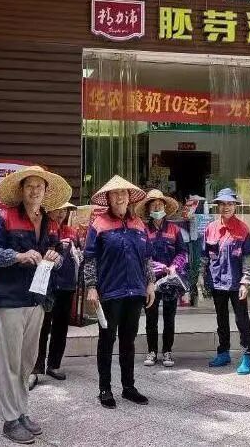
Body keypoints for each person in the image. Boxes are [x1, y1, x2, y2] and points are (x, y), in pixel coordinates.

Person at [0, 165, 72, 445]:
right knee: (10, 362)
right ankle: (10, 419)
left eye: (39, 187)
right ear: (21, 190)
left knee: (27, 362)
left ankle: (21, 412)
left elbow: (58, 254)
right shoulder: (4, 217)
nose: (34, 191)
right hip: (11, 299)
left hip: (38, 298)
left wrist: (56, 258)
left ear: (46, 191)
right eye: (29, 186)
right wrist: (18, 256)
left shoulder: (49, 221)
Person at [84, 175, 155, 409]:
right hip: (109, 292)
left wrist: (150, 283)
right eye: (115, 193)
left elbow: (147, 257)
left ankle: (128, 387)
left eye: (123, 193)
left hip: (135, 291)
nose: (119, 197)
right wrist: (91, 287)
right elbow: (90, 259)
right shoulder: (99, 224)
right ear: (108, 198)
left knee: (128, 340)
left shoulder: (139, 223)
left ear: (129, 197)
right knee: (107, 340)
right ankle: (105, 389)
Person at [30, 201, 81, 388]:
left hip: (67, 284)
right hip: (47, 284)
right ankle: (35, 368)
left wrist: (78, 254)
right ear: (49, 209)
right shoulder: (42, 228)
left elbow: (79, 254)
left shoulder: (72, 231)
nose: (61, 213)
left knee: (61, 326)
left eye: (65, 209)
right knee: (42, 327)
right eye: (58, 209)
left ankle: (54, 364)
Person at [203, 188, 250, 375]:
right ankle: (223, 352)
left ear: (235, 206)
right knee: (221, 320)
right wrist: (202, 279)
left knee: (242, 320)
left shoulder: (243, 229)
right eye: (223, 204)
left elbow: (247, 259)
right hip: (217, 282)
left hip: (236, 283)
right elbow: (205, 257)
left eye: (230, 204)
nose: (226, 207)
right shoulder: (210, 228)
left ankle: (247, 356)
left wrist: (245, 282)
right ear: (218, 206)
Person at [136, 189, 188, 368]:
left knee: (169, 318)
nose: (157, 207)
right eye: (153, 205)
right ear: (148, 209)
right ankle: (152, 351)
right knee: (151, 318)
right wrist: (158, 267)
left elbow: (182, 252)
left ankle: (167, 351)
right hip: (150, 282)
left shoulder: (175, 230)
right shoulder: (143, 230)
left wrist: (174, 266)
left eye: (160, 204)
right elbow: (142, 255)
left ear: (165, 207)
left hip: (170, 281)